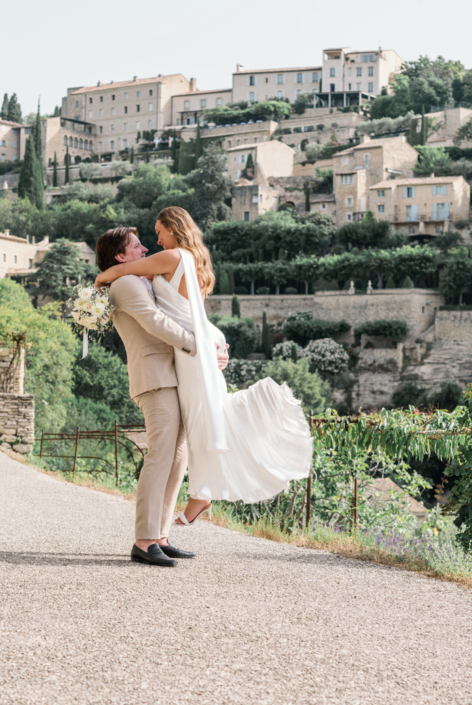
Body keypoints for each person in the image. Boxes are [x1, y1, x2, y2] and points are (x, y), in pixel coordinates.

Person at [95, 207, 313, 528]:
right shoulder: (184, 259)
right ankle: (195, 498)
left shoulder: (171, 257)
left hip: (192, 348)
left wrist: (98, 280)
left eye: (158, 232)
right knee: (206, 413)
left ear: (173, 228)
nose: (153, 241)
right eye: (144, 239)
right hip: (192, 346)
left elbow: (116, 273)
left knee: (205, 415)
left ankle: (200, 493)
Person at [95, 226, 229, 568]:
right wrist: (198, 347)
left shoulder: (144, 279)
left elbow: (184, 312)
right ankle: (143, 540)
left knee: (178, 457)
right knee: (160, 455)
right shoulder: (125, 284)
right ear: (120, 256)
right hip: (155, 378)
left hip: (174, 374)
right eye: (137, 246)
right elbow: (154, 322)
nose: (145, 249)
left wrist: (216, 346)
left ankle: (161, 535)